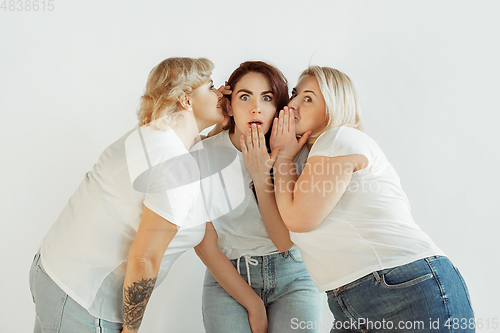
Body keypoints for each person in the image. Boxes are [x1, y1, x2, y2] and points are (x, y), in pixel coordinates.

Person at [29, 57, 227, 333]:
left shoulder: (154, 135)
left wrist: (230, 116)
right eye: (212, 87)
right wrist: (132, 329)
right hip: (81, 304)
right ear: (185, 99)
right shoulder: (173, 163)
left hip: (52, 273)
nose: (221, 93)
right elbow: (144, 258)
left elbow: (195, 146)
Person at [270, 66, 475, 332]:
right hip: (357, 298)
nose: (292, 104)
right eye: (295, 94)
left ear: (333, 108)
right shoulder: (312, 159)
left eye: (308, 98)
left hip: (403, 286)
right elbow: (285, 237)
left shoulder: (337, 138)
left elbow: (299, 219)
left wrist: (283, 158)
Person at [193, 61, 323, 333]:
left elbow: (286, 242)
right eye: (244, 97)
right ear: (228, 106)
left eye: (267, 98)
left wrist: (263, 173)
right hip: (228, 278)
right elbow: (204, 244)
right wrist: (253, 304)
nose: (256, 108)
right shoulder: (201, 156)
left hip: (294, 276)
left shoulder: (295, 153)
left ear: (278, 107)